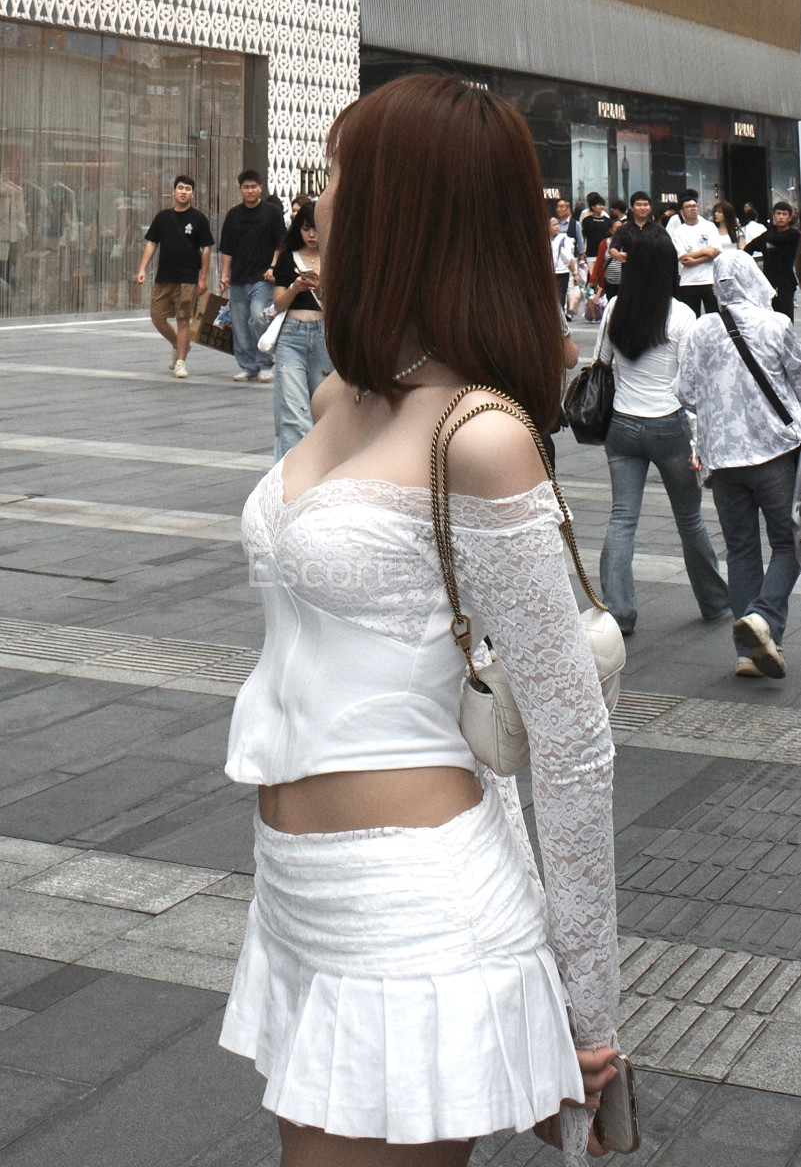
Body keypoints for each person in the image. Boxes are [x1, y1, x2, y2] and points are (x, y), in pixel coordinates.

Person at [219, 74, 618, 1167]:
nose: (319, 199)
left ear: (405, 205)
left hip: (415, 911)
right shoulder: (346, 392)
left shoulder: (482, 437)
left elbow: (573, 745)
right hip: (296, 889)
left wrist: (586, 1010)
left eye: (338, 175)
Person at [675, 251, 801, 678]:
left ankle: (748, 654)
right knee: (790, 542)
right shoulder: (776, 324)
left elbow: (685, 392)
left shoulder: (703, 328)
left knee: (742, 550)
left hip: (723, 459)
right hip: (774, 453)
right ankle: (764, 617)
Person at [595, 233, 729, 634]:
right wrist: (698, 441)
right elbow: (690, 386)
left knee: (622, 518)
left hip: (622, 425)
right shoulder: (682, 315)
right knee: (689, 519)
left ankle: (619, 611)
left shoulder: (615, 307)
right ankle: (714, 601)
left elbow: (602, 361)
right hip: (668, 425)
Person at [271, 202, 334, 457]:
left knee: (323, 405)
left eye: (316, 229)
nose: (311, 235)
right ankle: (294, 466)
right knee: (294, 409)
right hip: (292, 334)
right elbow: (278, 304)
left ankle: (319, 461)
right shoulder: (288, 259)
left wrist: (320, 288)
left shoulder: (334, 259)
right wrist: (295, 288)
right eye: (306, 228)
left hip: (323, 335)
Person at [136, 175, 213, 379]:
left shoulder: (199, 219)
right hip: (164, 277)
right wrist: (142, 268)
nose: (183, 192)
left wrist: (203, 278)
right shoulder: (162, 217)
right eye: (180, 188)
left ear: (193, 194)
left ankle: (181, 362)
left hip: (188, 278)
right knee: (157, 317)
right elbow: (152, 243)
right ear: (173, 191)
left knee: (183, 319)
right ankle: (179, 344)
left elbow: (206, 249)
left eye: (188, 189)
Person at [219, 169, 286, 382]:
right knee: (239, 324)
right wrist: (225, 274)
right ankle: (248, 366)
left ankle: (266, 363)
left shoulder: (272, 212)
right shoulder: (233, 215)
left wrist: (273, 267)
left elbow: (280, 243)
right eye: (246, 187)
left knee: (258, 316)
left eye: (254, 187)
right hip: (239, 277)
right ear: (240, 189)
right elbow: (227, 248)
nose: (250, 191)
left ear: (260, 188)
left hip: (263, 276)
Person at [744, 202, 800, 321]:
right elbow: (749, 248)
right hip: (768, 282)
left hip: (786, 282)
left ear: (790, 217)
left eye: (784, 214)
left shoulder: (794, 235)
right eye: (778, 214)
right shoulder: (766, 235)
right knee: (769, 316)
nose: (781, 217)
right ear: (774, 215)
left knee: (786, 317)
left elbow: (779, 239)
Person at [669, 195, 720, 315]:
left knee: (714, 316)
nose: (692, 209)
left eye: (694, 206)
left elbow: (714, 252)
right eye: (688, 207)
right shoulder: (678, 232)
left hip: (709, 279)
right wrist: (704, 251)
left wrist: (694, 261)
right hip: (688, 281)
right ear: (682, 211)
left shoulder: (709, 226)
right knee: (691, 317)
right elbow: (683, 257)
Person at [608, 191, 658, 267]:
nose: (642, 208)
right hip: (630, 270)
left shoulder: (658, 229)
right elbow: (613, 248)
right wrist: (618, 255)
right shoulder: (624, 229)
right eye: (639, 205)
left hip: (653, 270)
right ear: (632, 208)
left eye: (646, 205)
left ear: (650, 208)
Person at [549, 214, 577, 313]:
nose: (557, 227)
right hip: (550, 272)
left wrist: (575, 273)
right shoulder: (545, 241)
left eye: (557, 224)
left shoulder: (564, 239)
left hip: (563, 272)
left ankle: (560, 316)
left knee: (561, 296)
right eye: (554, 225)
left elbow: (569, 258)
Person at [581, 193, 612, 273]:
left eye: (602, 205)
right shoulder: (586, 220)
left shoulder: (607, 220)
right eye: (599, 205)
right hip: (591, 253)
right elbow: (583, 237)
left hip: (605, 252)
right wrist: (583, 252)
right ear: (593, 207)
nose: (601, 207)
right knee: (593, 275)